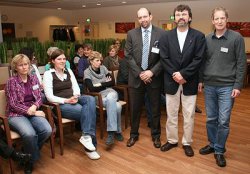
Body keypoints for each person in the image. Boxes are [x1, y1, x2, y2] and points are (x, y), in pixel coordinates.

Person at [199, 7, 247, 167]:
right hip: (210, 86)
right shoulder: (207, 39)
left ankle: (219, 150)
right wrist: (201, 80)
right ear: (212, 21)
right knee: (211, 118)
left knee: (224, 121)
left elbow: (241, 64)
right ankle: (212, 144)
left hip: (227, 86)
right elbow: (203, 62)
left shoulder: (236, 38)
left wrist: (238, 85)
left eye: (222, 18)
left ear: (227, 19)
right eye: (216, 18)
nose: (219, 21)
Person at [159, 4, 206, 157]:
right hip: (171, 81)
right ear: (174, 18)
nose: (181, 17)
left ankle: (187, 142)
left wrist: (183, 74)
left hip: (189, 81)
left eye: (184, 14)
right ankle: (172, 140)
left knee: (188, 115)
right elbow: (164, 58)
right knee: (171, 114)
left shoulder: (198, 36)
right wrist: (175, 74)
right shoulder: (166, 36)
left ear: (189, 17)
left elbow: (199, 59)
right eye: (178, 14)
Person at [42, 48, 100, 160]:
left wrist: (76, 96)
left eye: (64, 59)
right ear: (53, 61)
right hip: (60, 105)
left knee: (90, 100)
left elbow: (76, 88)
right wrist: (66, 100)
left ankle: (86, 137)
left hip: (73, 99)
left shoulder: (69, 71)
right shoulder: (48, 74)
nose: (63, 61)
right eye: (59, 59)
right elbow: (49, 96)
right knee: (89, 112)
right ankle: (90, 148)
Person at [5, 54, 52, 173]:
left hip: (33, 110)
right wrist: (31, 112)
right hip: (16, 114)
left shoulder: (34, 78)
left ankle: (26, 153)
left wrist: (35, 106)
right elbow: (13, 104)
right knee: (29, 134)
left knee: (47, 130)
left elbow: (40, 96)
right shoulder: (11, 82)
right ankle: (30, 161)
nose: (24, 67)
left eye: (26, 64)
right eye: (20, 65)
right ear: (15, 67)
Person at [125, 8, 164, 148]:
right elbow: (128, 56)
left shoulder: (161, 33)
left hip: (154, 78)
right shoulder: (131, 34)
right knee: (135, 110)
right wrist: (141, 73)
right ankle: (133, 135)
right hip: (136, 79)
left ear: (151, 16)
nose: (143, 20)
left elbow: (164, 57)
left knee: (155, 109)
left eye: (145, 16)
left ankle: (156, 136)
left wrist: (151, 72)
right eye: (140, 17)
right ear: (138, 19)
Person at [84, 51, 123, 146]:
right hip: (99, 96)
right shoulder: (87, 72)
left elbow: (112, 82)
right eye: (97, 60)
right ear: (91, 61)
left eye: (100, 60)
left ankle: (110, 133)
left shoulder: (103, 68)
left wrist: (99, 84)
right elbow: (91, 88)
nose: (100, 62)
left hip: (111, 93)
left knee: (111, 98)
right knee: (117, 106)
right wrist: (104, 83)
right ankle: (116, 132)